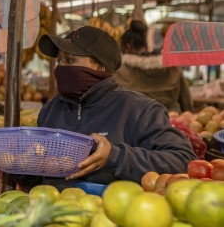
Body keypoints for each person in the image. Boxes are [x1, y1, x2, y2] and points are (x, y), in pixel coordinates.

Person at [12, 26, 197, 191]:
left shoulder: (140, 110)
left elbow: (183, 160)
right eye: (60, 61)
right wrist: (22, 166)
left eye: (69, 60)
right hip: (56, 213)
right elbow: (39, 179)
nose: (61, 68)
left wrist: (115, 157)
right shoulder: (51, 110)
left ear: (100, 66)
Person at [114, 20, 193, 112]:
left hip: (134, 123)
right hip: (169, 122)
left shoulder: (120, 71)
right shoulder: (173, 68)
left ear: (128, 47)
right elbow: (187, 104)